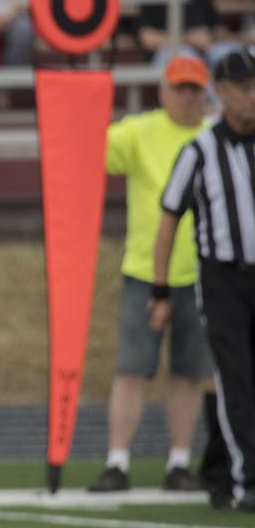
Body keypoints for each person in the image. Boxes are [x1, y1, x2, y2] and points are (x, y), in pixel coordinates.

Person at [89, 57, 215, 494]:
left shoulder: (215, 137)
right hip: (146, 271)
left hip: (202, 273)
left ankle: (179, 460)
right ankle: (117, 460)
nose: (187, 96)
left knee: (189, 372)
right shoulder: (141, 131)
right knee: (132, 369)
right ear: (163, 92)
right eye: (179, 88)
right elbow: (88, 149)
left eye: (194, 88)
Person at [152, 47, 255, 513]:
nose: (252, 97)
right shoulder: (200, 151)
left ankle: (224, 470)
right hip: (224, 279)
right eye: (245, 88)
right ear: (224, 92)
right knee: (235, 378)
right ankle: (241, 480)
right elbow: (169, 220)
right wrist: (160, 288)